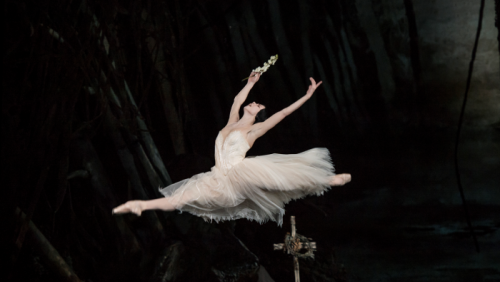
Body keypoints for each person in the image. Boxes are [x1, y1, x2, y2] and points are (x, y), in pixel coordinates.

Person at [112, 72, 351, 226]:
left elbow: (282, 113)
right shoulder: (232, 123)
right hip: (217, 179)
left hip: (240, 173)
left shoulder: (253, 132)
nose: (252, 102)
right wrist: (250, 83)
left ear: (258, 115)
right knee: (181, 198)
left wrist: (307, 96)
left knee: (284, 179)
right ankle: (143, 205)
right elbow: (237, 101)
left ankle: (329, 180)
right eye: (253, 101)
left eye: (257, 104)